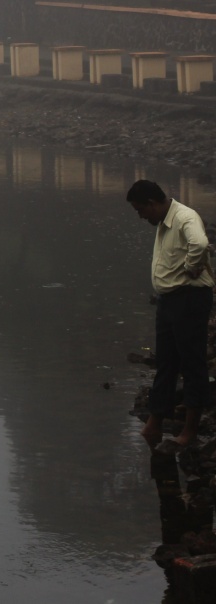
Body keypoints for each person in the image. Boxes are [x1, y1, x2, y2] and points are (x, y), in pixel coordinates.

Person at [126, 179, 214, 451]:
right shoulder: (163, 221)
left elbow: (199, 244)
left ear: (152, 204)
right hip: (169, 301)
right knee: (166, 362)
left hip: (189, 299)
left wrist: (192, 266)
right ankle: (154, 423)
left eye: (141, 210)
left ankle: (189, 431)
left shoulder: (185, 217)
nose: (141, 216)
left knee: (192, 364)